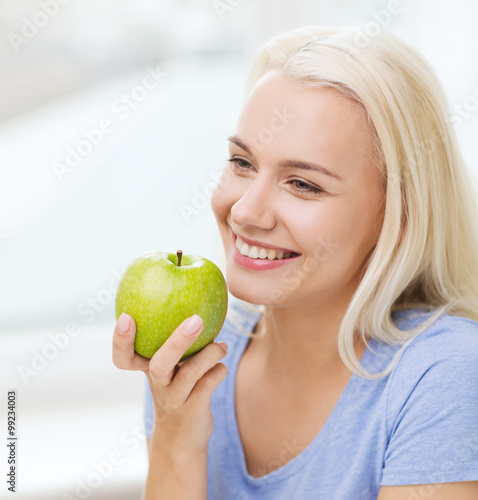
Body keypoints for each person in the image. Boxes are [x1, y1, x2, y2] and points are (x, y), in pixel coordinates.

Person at [112, 25, 478, 499]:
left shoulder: (443, 373)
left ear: (399, 215)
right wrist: (176, 431)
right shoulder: (196, 345)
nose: (244, 211)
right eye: (242, 162)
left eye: (303, 184)